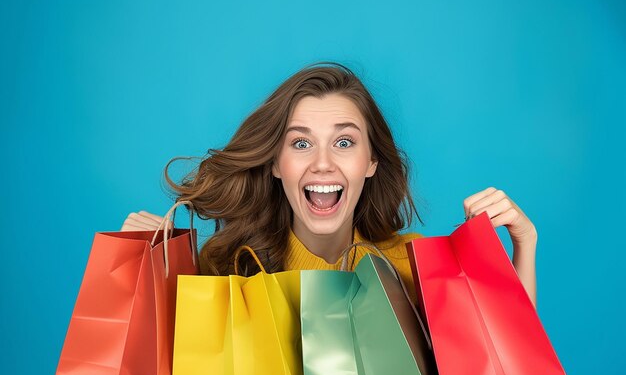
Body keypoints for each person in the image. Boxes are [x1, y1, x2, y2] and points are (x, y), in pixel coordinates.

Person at [121, 62, 538, 306]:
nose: (322, 164)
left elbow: (502, 366)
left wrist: (524, 246)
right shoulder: (227, 269)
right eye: (301, 143)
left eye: (343, 142)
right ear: (276, 164)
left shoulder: (410, 267)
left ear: (371, 161)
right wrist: (141, 272)